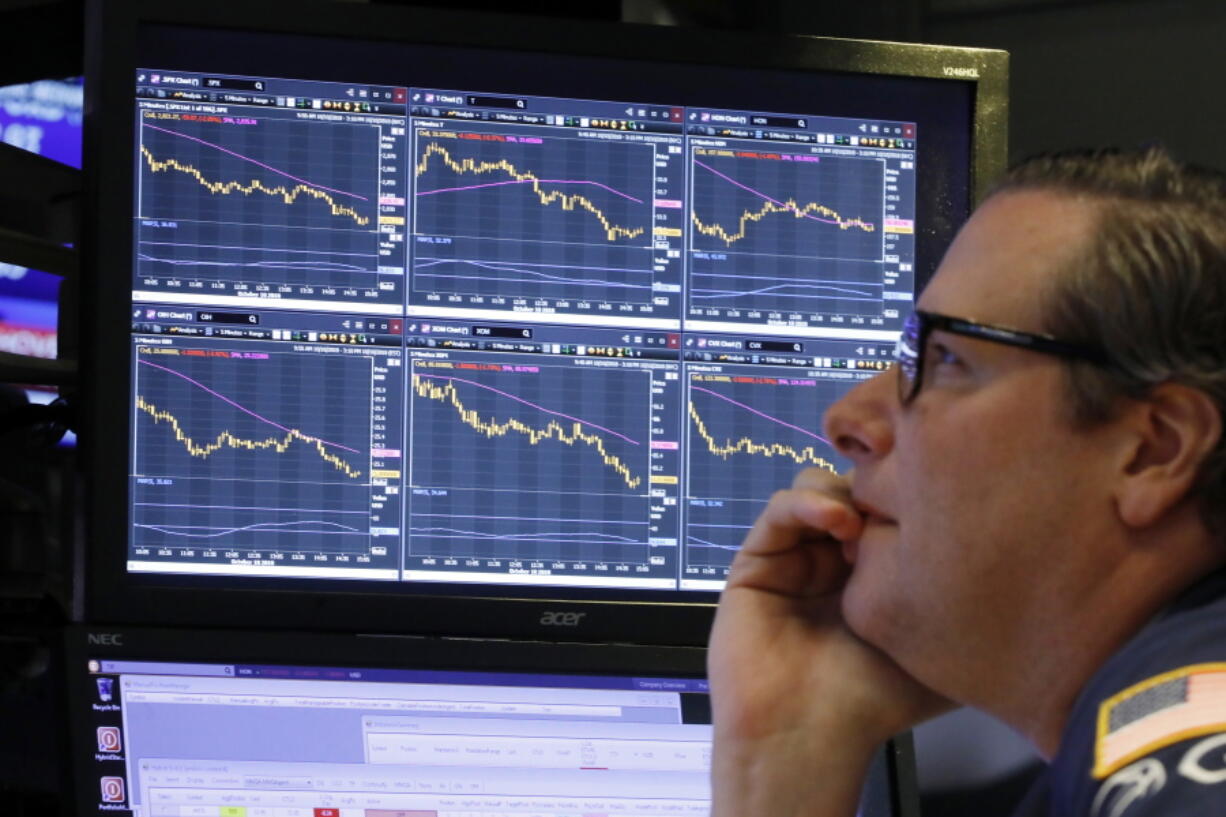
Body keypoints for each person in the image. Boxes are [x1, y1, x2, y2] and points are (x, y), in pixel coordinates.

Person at [708, 146, 1226, 817]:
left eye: (946, 358)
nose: (846, 420)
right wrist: (783, 751)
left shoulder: (1184, 735)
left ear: (1154, 450)